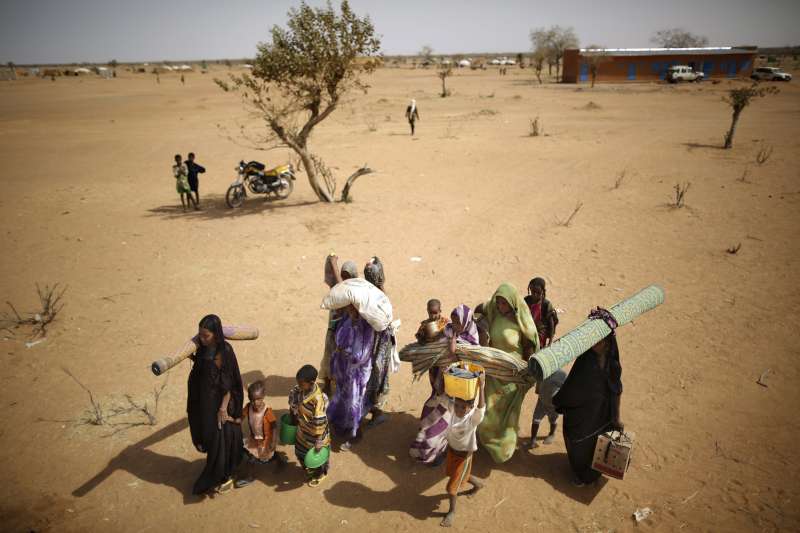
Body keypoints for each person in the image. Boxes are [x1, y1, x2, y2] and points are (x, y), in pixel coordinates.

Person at [553, 308, 623, 486]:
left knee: (597, 445)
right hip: (582, 415)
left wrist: (616, 416)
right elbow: (572, 385)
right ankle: (580, 474)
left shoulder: (612, 364)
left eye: (599, 340)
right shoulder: (585, 362)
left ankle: (592, 475)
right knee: (579, 445)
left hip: (601, 414)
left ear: (607, 342)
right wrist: (561, 401)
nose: (594, 344)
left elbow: (616, 390)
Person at [474, 283, 539, 463]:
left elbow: (529, 350)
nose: (500, 306)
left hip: (512, 377)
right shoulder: (494, 312)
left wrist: (525, 375)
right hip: (494, 373)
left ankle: (504, 450)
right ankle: (488, 443)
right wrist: (479, 322)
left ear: (513, 303)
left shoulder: (522, 323)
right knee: (489, 415)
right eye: (499, 302)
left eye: (504, 303)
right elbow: (478, 309)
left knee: (508, 417)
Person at [409, 304, 480, 465]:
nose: (455, 325)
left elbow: (468, 366)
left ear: (466, 322)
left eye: (458, 322)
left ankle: (436, 453)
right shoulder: (447, 330)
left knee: (441, 425)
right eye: (454, 321)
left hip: (456, 393)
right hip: (441, 386)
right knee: (428, 415)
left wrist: (453, 351)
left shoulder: (472, 343)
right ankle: (428, 448)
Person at [187, 314, 244, 495]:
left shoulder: (223, 352)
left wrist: (222, 409)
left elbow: (227, 385)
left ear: (216, 335)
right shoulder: (204, 350)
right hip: (206, 402)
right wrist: (194, 358)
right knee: (209, 436)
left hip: (220, 404)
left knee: (221, 440)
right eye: (200, 335)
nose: (202, 339)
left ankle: (224, 475)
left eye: (206, 336)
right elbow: (206, 371)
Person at [440, 371, 486, 528]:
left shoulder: (472, 419)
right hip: (452, 452)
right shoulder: (453, 410)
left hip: (464, 456)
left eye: (463, 407)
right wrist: (443, 374)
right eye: (457, 405)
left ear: (470, 407)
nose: (459, 409)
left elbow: (481, 408)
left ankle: (452, 511)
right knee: (456, 474)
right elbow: (442, 394)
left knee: (451, 488)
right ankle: (478, 484)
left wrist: (482, 385)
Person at [327, 305, 375, 451]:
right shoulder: (347, 319)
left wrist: (344, 351)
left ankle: (354, 434)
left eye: (354, 310)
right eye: (350, 309)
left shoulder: (367, 328)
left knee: (354, 403)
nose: (351, 312)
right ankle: (341, 426)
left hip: (356, 375)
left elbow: (361, 356)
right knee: (341, 399)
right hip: (343, 370)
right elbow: (338, 337)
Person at [234, 380, 286, 488]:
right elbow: (241, 417)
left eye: (258, 399)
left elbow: (274, 426)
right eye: (252, 400)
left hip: (266, 440)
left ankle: (250, 477)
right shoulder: (248, 407)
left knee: (260, 457)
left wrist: (273, 441)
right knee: (256, 457)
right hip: (254, 438)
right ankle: (279, 462)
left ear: (263, 397)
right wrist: (235, 420)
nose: (255, 403)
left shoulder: (267, 411)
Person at [320, 255, 359, 395]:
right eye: (343, 275)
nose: (344, 278)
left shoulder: (353, 291)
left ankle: (340, 386)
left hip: (345, 333)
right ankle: (327, 383)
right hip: (333, 329)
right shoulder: (337, 287)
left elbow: (342, 289)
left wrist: (334, 264)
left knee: (342, 360)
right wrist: (331, 263)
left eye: (348, 276)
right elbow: (337, 284)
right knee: (328, 356)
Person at [289, 365, 331, 487]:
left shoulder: (318, 400)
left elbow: (320, 422)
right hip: (303, 431)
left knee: (317, 457)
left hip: (315, 437)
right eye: (298, 382)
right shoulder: (299, 390)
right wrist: (293, 414)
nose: (299, 385)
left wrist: (319, 441)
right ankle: (310, 468)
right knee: (300, 452)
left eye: (301, 384)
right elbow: (293, 401)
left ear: (311, 383)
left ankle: (320, 474)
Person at [364, 256, 392, 427]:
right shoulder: (381, 296)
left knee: (374, 375)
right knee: (376, 375)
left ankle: (377, 412)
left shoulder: (372, 297)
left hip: (377, 345)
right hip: (379, 344)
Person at [526, 369, 566, 449]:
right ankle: (533, 440)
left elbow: (566, 388)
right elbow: (538, 384)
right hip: (541, 401)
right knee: (536, 419)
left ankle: (551, 433)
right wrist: (538, 390)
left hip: (553, 404)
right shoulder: (543, 371)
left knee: (553, 420)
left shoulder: (562, 374)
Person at [525, 277, 558, 348]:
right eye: (533, 291)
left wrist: (550, 342)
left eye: (538, 292)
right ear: (530, 289)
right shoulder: (526, 300)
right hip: (526, 329)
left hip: (540, 333)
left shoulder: (546, 304)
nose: (535, 295)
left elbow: (551, 323)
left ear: (543, 291)